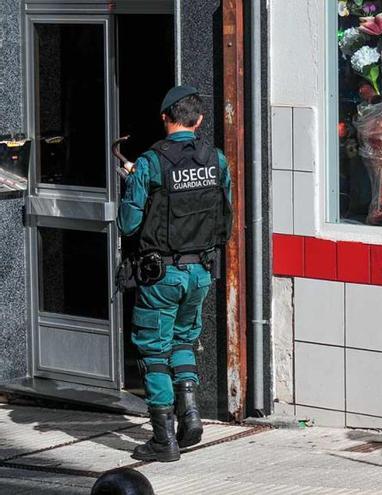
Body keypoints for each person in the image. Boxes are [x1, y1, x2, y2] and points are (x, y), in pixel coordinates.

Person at [118, 85, 232, 462]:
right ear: (198, 120)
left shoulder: (151, 162)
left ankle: (163, 440)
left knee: (153, 352)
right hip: (201, 271)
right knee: (184, 341)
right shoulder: (216, 159)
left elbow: (128, 223)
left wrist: (131, 179)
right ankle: (192, 416)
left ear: (165, 118)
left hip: (161, 275)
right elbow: (225, 219)